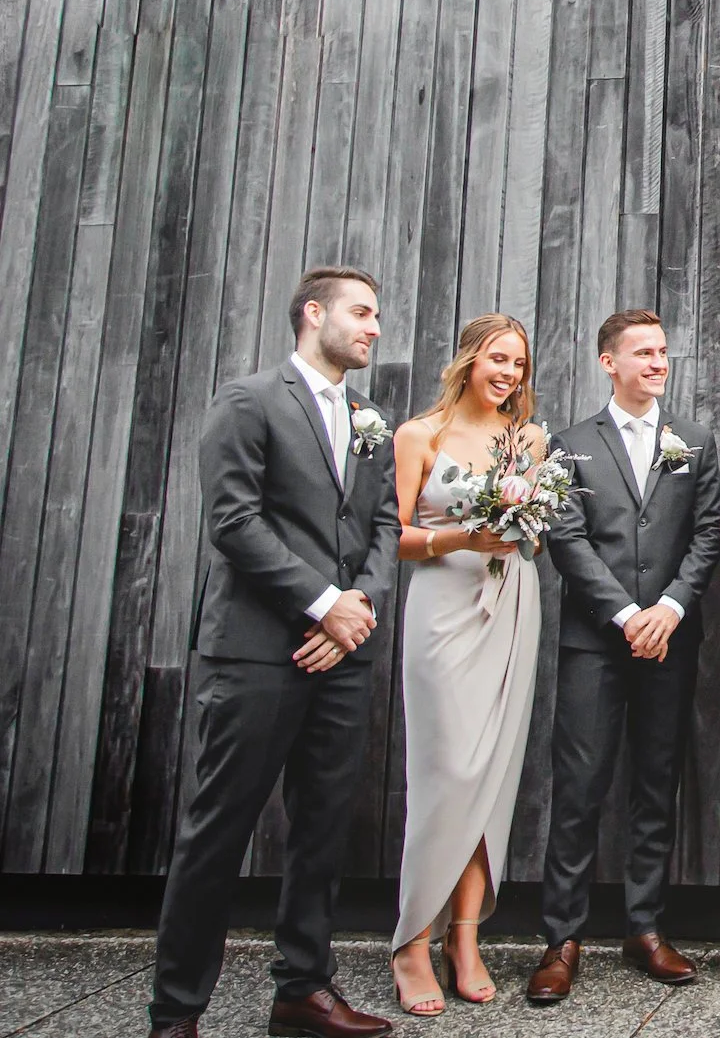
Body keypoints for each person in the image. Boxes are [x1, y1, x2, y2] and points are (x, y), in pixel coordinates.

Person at [148, 267, 398, 1038]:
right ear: (312, 312)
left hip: (343, 656)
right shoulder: (248, 400)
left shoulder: (368, 417)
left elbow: (385, 525)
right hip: (256, 653)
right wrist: (323, 604)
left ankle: (302, 990)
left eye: (377, 315)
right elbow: (233, 520)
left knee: (323, 828)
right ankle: (176, 1011)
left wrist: (358, 608)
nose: (374, 327)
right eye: (361, 312)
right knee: (216, 830)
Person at [525, 311, 720, 1004]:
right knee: (578, 787)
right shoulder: (570, 444)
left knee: (654, 781)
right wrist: (623, 612)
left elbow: (707, 534)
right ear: (607, 361)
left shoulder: (694, 442)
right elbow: (567, 538)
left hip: (669, 638)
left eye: (663, 350)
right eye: (642, 351)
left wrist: (668, 608)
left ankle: (644, 926)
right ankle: (561, 937)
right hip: (594, 640)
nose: (657, 361)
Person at [388, 314, 546, 1014]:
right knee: (446, 769)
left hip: (512, 602)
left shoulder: (530, 439)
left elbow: (535, 525)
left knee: (493, 773)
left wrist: (521, 528)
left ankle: (464, 935)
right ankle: (410, 940)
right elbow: (395, 536)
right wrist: (462, 533)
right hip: (444, 607)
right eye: (497, 358)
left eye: (518, 362)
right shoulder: (418, 434)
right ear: (468, 359)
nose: (508, 372)